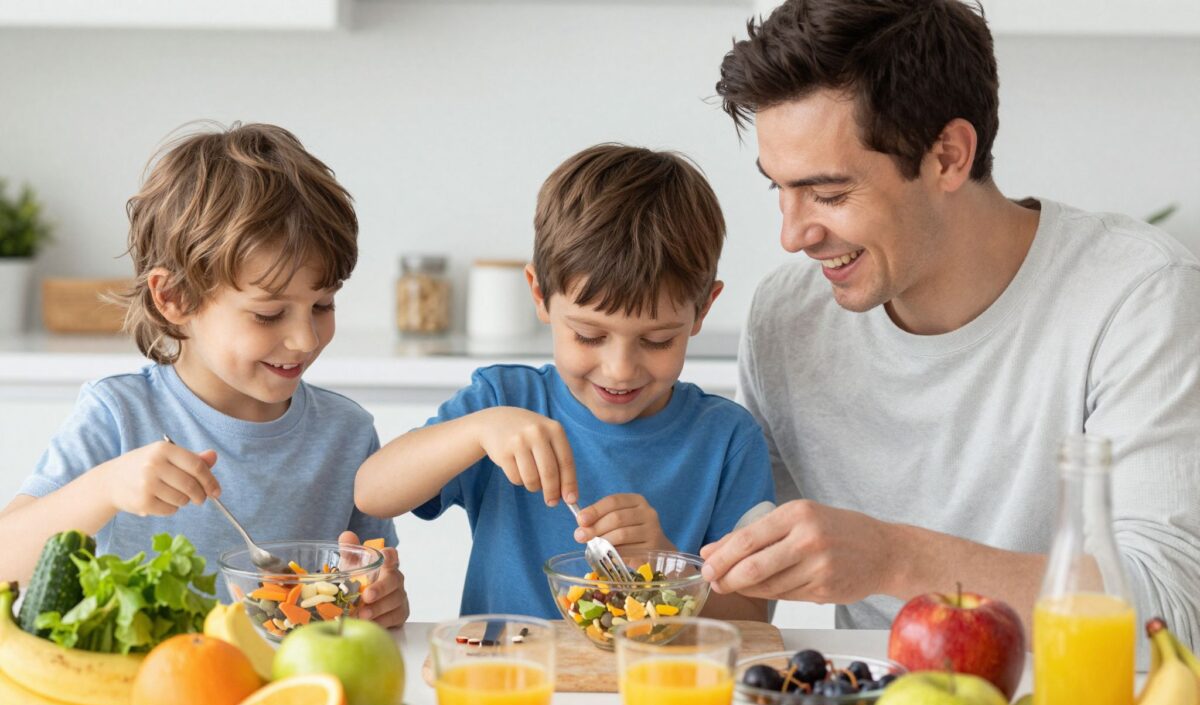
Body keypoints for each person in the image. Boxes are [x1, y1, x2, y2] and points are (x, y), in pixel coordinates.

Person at [700, 0, 1200, 647]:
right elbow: (750, 596)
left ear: (948, 157)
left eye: (828, 194)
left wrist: (893, 557)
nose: (794, 235)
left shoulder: (1133, 297)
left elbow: (1170, 616)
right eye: (779, 189)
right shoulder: (787, 320)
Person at [0, 123, 409, 628]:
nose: (306, 339)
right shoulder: (119, 418)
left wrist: (382, 601)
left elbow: (373, 594)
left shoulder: (346, 434)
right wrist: (104, 488)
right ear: (172, 298)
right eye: (268, 314)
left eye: (322, 305)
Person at [356, 143, 774, 619]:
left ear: (702, 310)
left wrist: (667, 565)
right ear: (540, 295)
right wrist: (478, 430)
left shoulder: (726, 441)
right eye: (589, 335)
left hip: (654, 688)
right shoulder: (503, 402)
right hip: (509, 682)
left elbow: (752, 616)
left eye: (657, 340)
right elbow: (372, 491)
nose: (619, 369)